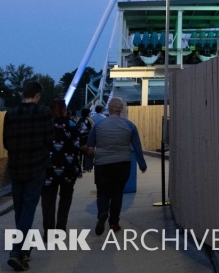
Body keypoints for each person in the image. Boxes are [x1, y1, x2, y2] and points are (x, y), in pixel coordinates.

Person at [2, 80, 53, 272]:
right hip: (35, 166)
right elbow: (49, 138)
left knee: (20, 209)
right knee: (29, 208)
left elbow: (6, 142)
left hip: (16, 166)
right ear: (38, 95)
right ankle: (17, 251)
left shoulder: (11, 114)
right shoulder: (43, 112)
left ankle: (23, 250)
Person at [85, 97, 147, 235]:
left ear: (109, 109)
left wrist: (88, 164)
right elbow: (137, 146)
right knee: (117, 193)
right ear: (121, 109)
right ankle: (113, 223)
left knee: (102, 192)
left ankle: (102, 212)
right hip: (122, 163)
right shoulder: (129, 125)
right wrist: (142, 164)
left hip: (102, 164)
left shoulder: (98, 125)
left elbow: (90, 147)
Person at [41, 99, 82, 238]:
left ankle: (48, 231)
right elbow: (77, 144)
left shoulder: (45, 124)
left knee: (48, 200)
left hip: (48, 168)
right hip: (68, 168)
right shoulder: (71, 124)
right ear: (64, 109)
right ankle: (61, 227)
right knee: (65, 197)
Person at [76, 107, 94, 172]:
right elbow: (93, 129)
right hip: (88, 138)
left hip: (80, 138)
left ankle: (79, 165)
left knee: (80, 153)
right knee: (87, 152)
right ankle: (86, 166)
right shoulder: (90, 120)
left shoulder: (79, 120)